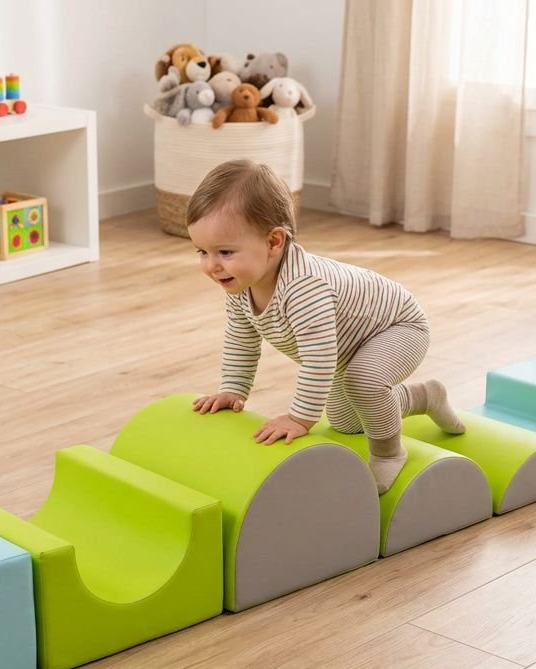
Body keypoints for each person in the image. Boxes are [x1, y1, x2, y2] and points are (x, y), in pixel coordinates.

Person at [188, 159, 465, 494]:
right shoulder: (240, 283)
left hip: (397, 326)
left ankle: (390, 453)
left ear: (275, 242)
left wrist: (299, 418)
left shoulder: (304, 288)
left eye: (225, 252)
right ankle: (426, 396)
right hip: (347, 346)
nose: (211, 265)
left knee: (364, 382)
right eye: (202, 251)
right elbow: (241, 339)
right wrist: (233, 389)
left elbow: (319, 359)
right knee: (347, 424)